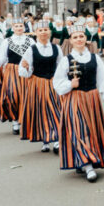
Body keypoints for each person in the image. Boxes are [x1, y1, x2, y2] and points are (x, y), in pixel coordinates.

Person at [54, 25, 104, 182]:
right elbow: (57, 83)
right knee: (79, 129)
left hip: (92, 98)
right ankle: (88, 165)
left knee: (92, 130)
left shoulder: (95, 58)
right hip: (74, 98)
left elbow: (103, 78)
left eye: (81, 36)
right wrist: (70, 84)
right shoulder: (66, 60)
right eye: (75, 37)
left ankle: (83, 160)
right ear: (70, 41)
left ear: (86, 39)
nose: (79, 39)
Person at [18, 21, 62, 154]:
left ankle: (57, 139)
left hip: (53, 82)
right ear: (36, 32)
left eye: (45, 30)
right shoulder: (31, 49)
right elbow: (23, 71)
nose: (43, 32)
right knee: (41, 111)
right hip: (38, 83)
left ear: (49, 32)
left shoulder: (56, 48)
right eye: (40, 30)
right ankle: (45, 139)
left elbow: (61, 66)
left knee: (56, 110)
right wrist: (26, 68)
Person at [0, 20, 30, 134]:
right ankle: (15, 121)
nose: (19, 28)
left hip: (26, 70)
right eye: (16, 26)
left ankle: (25, 120)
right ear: (12, 28)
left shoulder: (30, 41)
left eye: (21, 26)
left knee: (26, 95)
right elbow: (2, 57)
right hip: (12, 70)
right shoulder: (7, 41)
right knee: (13, 95)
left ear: (24, 28)